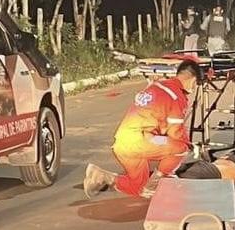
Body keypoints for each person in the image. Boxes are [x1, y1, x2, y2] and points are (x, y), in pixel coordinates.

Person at [83, 59, 202, 199]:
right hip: (138, 141)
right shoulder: (176, 97)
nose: (193, 89)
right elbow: (176, 133)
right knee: (181, 148)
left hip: (123, 142)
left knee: (138, 187)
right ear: (192, 80)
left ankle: (103, 176)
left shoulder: (157, 86)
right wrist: (190, 146)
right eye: (195, 84)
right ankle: (156, 182)